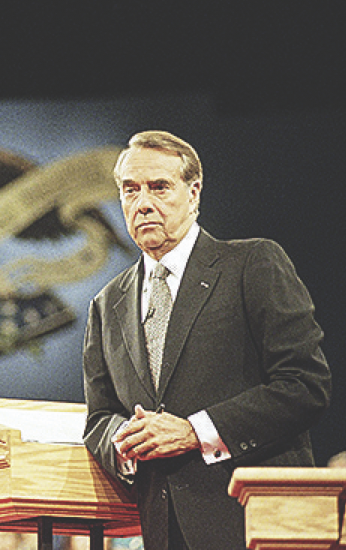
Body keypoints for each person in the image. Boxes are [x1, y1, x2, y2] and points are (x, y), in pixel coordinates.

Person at [82, 130, 331, 550]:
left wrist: (196, 432)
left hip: (258, 524)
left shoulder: (253, 264)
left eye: (159, 187)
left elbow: (305, 386)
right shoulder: (106, 305)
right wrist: (126, 441)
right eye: (130, 190)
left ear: (193, 192)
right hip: (162, 531)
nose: (142, 203)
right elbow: (99, 419)